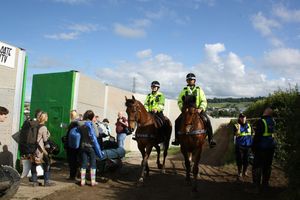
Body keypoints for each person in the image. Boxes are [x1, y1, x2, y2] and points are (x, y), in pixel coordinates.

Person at [172, 73, 216, 148]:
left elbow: (203, 100)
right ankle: (177, 139)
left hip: (198, 111)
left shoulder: (199, 90)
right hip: (186, 111)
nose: (190, 81)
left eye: (191, 80)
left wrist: (201, 108)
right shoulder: (184, 90)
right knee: (177, 121)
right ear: (187, 81)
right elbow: (179, 101)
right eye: (188, 80)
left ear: (194, 81)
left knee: (207, 120)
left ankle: (211, 139)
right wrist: (183, 108)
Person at [252, 107, 276, 192]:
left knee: (257, 167)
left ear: (265, 112)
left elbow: (257, 136)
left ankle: (256, 187)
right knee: (267, 166)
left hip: (261, 148)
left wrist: (253, 147)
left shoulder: (261, 121)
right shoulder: (273, 121)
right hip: (271, 147)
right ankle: (265, 185)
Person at [30, 112, 55, 187]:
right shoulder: (44, 127)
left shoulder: (34, 125)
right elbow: (45, 141)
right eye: (47, 117)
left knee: (34, 164)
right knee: (47, 163)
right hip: (40, 149)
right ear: (44, 118)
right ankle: (46, 182)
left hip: (32, 148)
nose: (47, 118)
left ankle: (34, 182)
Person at [78, 110, 100, 186]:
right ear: (91, 117)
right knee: (93, 163)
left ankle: (82, 181)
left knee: (84, 163)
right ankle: (93, 181)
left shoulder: (80, 123)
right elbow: (97, 135)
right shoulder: (92, 124)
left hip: (83, 146)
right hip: (91, 146)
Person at [233, 113, 253, 179]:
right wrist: (238, 129)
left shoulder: (249, 125)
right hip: (240, 146)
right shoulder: (236, 125)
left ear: (246, 118)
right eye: (241, 117)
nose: (243, 119)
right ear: (239, 118)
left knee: (246, 160)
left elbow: (252, 133)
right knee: (240, 160)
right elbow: (235, 134)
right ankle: (240, 172)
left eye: (244, 117)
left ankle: (245, 171)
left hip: (248, 145)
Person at [65, 110, 80, 181]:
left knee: (72, 161)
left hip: (70, 145)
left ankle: (72, 176)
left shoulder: (72, 124)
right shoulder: (79, 123)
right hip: (76, 145)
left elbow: (68, 136)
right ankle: (74, 175)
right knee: (75, 161)